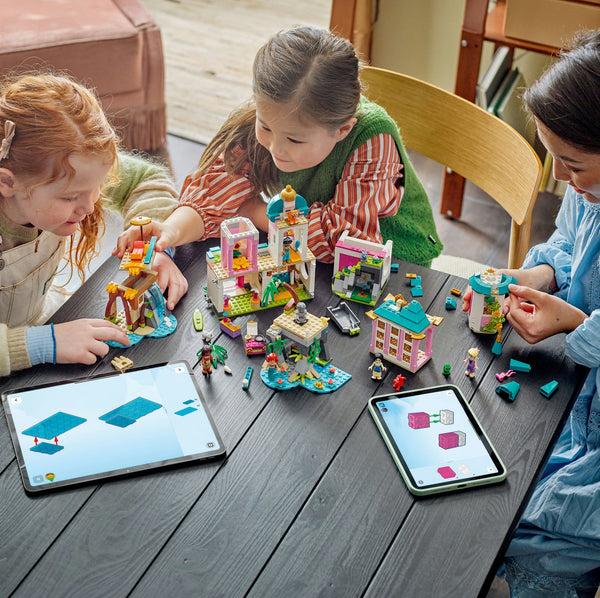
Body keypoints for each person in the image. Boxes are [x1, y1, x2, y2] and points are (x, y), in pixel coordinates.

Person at [116, 26, 442, 266]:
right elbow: (213, 194)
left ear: (342, 130)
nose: (276, 148)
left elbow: (344, 241)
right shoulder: (277, 114)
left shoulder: (372, 137)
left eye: (295, 140)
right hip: (304, 249)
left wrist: (254, 211)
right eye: (265, 126)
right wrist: (170, 231)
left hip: (396, 260)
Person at [465, 31, 600, 598]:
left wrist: (573, 325)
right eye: (553, 158)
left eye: (573, 164)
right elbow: (567, 244)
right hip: (577, 392)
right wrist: (536, 275)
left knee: (544, 533)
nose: (559, 178)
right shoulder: (587, 190)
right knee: (497, 486)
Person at [0, 72, 188, 377]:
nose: (89, 207)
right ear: (7, 183)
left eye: (98, 186)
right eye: (69, 197)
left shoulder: (72, 168)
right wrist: (41, 344)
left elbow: (147, 178)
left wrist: (151, 243)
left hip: (46, 320)